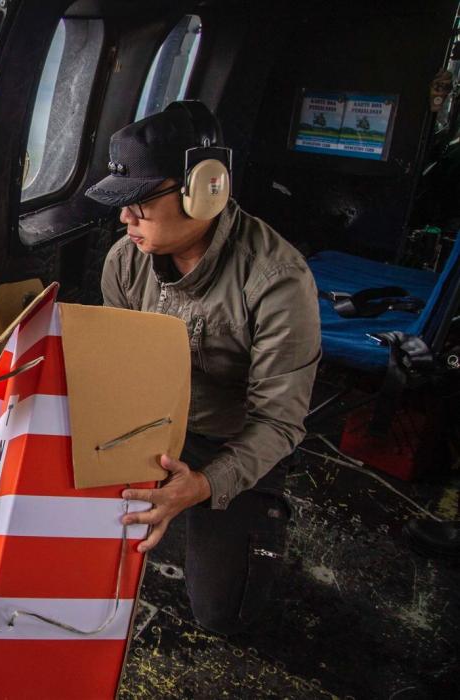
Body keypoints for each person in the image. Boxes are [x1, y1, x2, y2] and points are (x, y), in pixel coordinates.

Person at [86, 101, 321, 635]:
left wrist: (205, 483)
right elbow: (118, 363)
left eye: (139, 203)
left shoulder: (277, 279)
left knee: (222, 615)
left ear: (206, 188)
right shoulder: (126, 260)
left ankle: (256, 513)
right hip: (155, 423)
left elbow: (280, 422)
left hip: (233, 440)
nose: (125, 219)